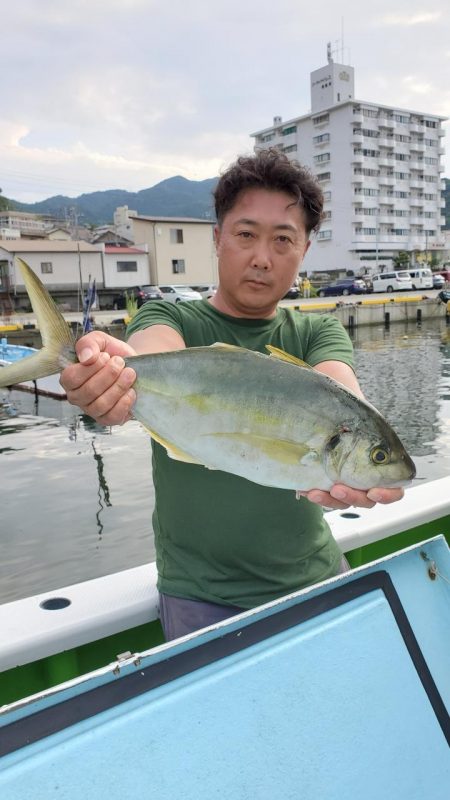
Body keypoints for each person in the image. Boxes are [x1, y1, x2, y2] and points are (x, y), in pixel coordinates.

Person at [60, 149, 403, 641]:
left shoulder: (318, 333)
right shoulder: (171, 317)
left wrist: (367, 459)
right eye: (245, 235)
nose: (262, 258)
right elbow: (148, 351)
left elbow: (343, 395)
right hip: (199, 597)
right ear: (218, 240)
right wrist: (111, 377)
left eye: (283, 239)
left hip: (317, 577)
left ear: (304, 249)